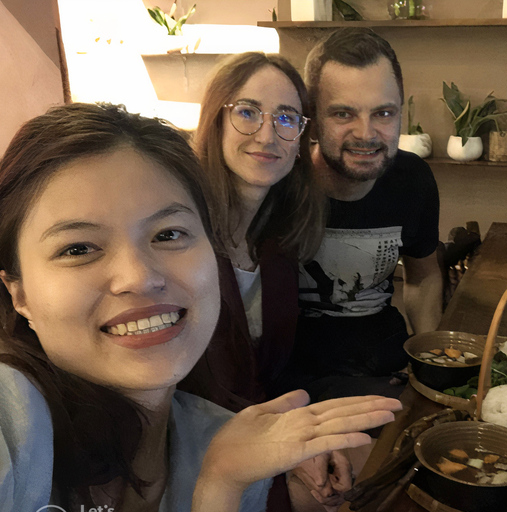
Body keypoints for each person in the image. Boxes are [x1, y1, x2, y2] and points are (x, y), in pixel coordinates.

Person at [0, 103, 401, 512]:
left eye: (169, 233)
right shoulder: (11, 418)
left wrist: (219, 488)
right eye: (78, 248)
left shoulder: (219, 445)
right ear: (18, 294)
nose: (139, 277)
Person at [281, 28, 443, 402]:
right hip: (293, 378)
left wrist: (427, 359)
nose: (366, 134)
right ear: (314, 117)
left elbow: (423, 276)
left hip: (385, 365)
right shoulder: (280, 181)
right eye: (343, 113)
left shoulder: (413, 179)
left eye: (383, 113)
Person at [191, 52, 325, 404]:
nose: (267, 136)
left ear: (300, 139)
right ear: (216, 120)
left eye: (285, 118)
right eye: (247, 112)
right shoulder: (180, 235)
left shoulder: (279, 238)